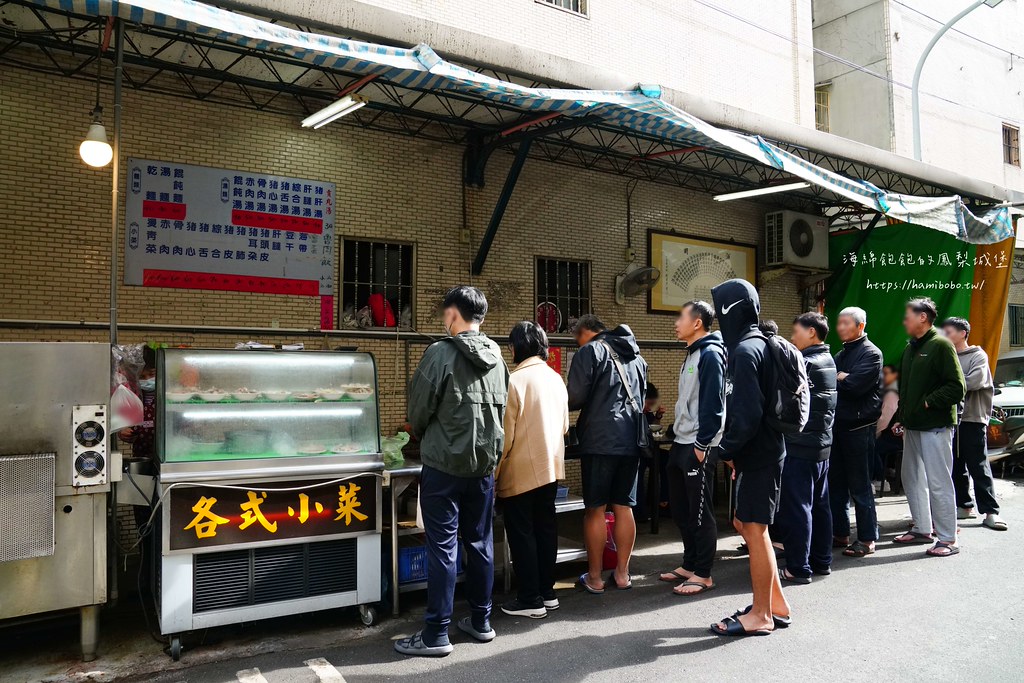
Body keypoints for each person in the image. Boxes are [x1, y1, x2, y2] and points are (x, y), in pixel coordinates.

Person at [397, 286, 509, 657]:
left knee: (442, 548)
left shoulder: (440, 354)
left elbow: (417, 413)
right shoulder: (499, 359)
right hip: (483, 469)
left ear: (453, 315)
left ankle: (435, 634)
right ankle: (481, 621)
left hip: (443, 467)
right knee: (480, 543)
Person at [709, 279, 791, 637]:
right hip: (766, 452)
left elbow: (745, 414)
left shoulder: (745, 351)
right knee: (751, 527)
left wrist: (722, 452)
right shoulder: (759, 343)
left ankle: (761, 615)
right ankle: (775, 604)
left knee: (755, 532)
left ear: (729, 310)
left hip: (757, 454)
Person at [567, 314, 648, 594]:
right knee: (624, 506)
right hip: (632, 440)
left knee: (596, 509)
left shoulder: (590, 351)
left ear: (585, 332)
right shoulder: (638, 358)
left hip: (600, 440)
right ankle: (623, 574)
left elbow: (574, 397)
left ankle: (595, 577)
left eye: (576, 338)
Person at [496, 321, 570, 619]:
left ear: (517, 347)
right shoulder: (555, 378)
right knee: (545, 528)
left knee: (522, 533)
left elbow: (505, 436)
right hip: (550, 467)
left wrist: (495, 471)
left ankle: (529, 599)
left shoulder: (515, 380)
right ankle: (547, 592)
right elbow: (564, 426)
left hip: (520, 471)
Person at [658, 300, 726, 596]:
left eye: (680, 317)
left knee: (700, 512)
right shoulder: (692, 354)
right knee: (681, 507)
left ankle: (704, 573)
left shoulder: (711, 354)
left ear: (697, 323)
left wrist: (702, 444)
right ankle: (689, 563)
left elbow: (715, 404)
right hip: (682, 442)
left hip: (700, 444)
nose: (676, 323)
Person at [892, 298, 966, 557]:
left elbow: (957, 387)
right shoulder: (911, 348)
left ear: (923, 317)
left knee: (938, 481)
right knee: (911, 477)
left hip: (935, 425)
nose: (904, 321)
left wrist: (928, 403)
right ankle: (922, 528)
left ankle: (948, 539)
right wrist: (903, 415)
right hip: (912, 426)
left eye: (908, 316)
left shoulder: (941, 345)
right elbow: (908, 388)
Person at [777, 313, 836, 584]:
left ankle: (798, 567)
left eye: (796, 331)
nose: (792, 337)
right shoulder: (828, 360)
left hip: (800, 445)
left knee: (798, 507)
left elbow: (790, 406)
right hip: (821, 445)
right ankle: (822, 561)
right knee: (820, 506)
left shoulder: (806, 363)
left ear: (811, 332)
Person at [940, 317, 1007, 531]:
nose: (945, 335)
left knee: (978, 465)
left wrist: (948, 386)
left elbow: (975, 381)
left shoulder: (978, 355)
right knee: (955, 465)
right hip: (951, 418)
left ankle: (990, 512)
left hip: (972, 418)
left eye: (949, 331)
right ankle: (964, 506)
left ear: (963, 333)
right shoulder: (946, 355)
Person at [831, 307, 883, 557]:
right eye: (838, 323)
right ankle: (840, 533)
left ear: (860, 326)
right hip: (838, 425)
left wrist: (842, 378)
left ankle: (867, 538)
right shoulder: (841, 354)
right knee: (836, 484)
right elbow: (831, 381)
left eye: (845, 323)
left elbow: (853, 386)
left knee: (860, 486)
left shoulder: (872, 353)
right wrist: (840, 377)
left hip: (860, 427)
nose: (840, 327)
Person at [636, 384, 668, 523]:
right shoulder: (631, 411)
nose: (650, 408)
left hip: (648, 450)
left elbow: (653, 430)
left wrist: (658, 416)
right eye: (649, 404)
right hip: (636, 452)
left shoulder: (647, 413)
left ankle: (663, 500)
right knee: (639, 469)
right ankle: (640, 511)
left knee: (667, 459)